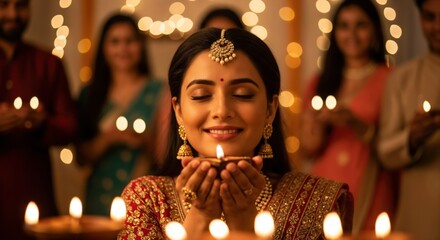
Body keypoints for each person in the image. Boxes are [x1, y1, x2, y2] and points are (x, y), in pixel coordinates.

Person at [118, 28, 353, 239]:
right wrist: (198, 218)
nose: (222, 111)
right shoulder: (147, 199)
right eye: (201, 95)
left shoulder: (314, 203)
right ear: (178, 111)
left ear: (270, 109)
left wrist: (244, 224)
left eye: (242, 94)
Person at [300, 0, 398, 233]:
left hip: (370, 181)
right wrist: (317, 122)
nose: (351, 34)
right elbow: (307, 148)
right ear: (335, 33)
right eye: (344, 26)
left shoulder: (391, 79)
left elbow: (395, 144)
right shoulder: (320, 82)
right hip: (325, 184)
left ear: (374, 29)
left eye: (360, 25)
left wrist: (353, 121)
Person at [76, 13, 169, 216]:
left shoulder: (160, 91)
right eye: (115, 42)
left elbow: (166, 157)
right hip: (99, 197)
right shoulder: (90, 94)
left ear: (141, 45)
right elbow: (80, 158)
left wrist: (145, 142)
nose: (123, 49)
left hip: (142, 197)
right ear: (104, 48)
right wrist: (108, 139)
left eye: (130, 41)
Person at [0, 0, 78, 238]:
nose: (13, 14)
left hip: (34, 193)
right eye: (4, 5)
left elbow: (71, 126)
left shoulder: (48, 63)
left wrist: (41, 122)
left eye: (21, 5)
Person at [377, 0, 440, 239]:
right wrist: (411, 139)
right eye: (430, 17)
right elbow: (384, 151)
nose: (437, 27)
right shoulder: (402, 78)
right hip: (420, 214)